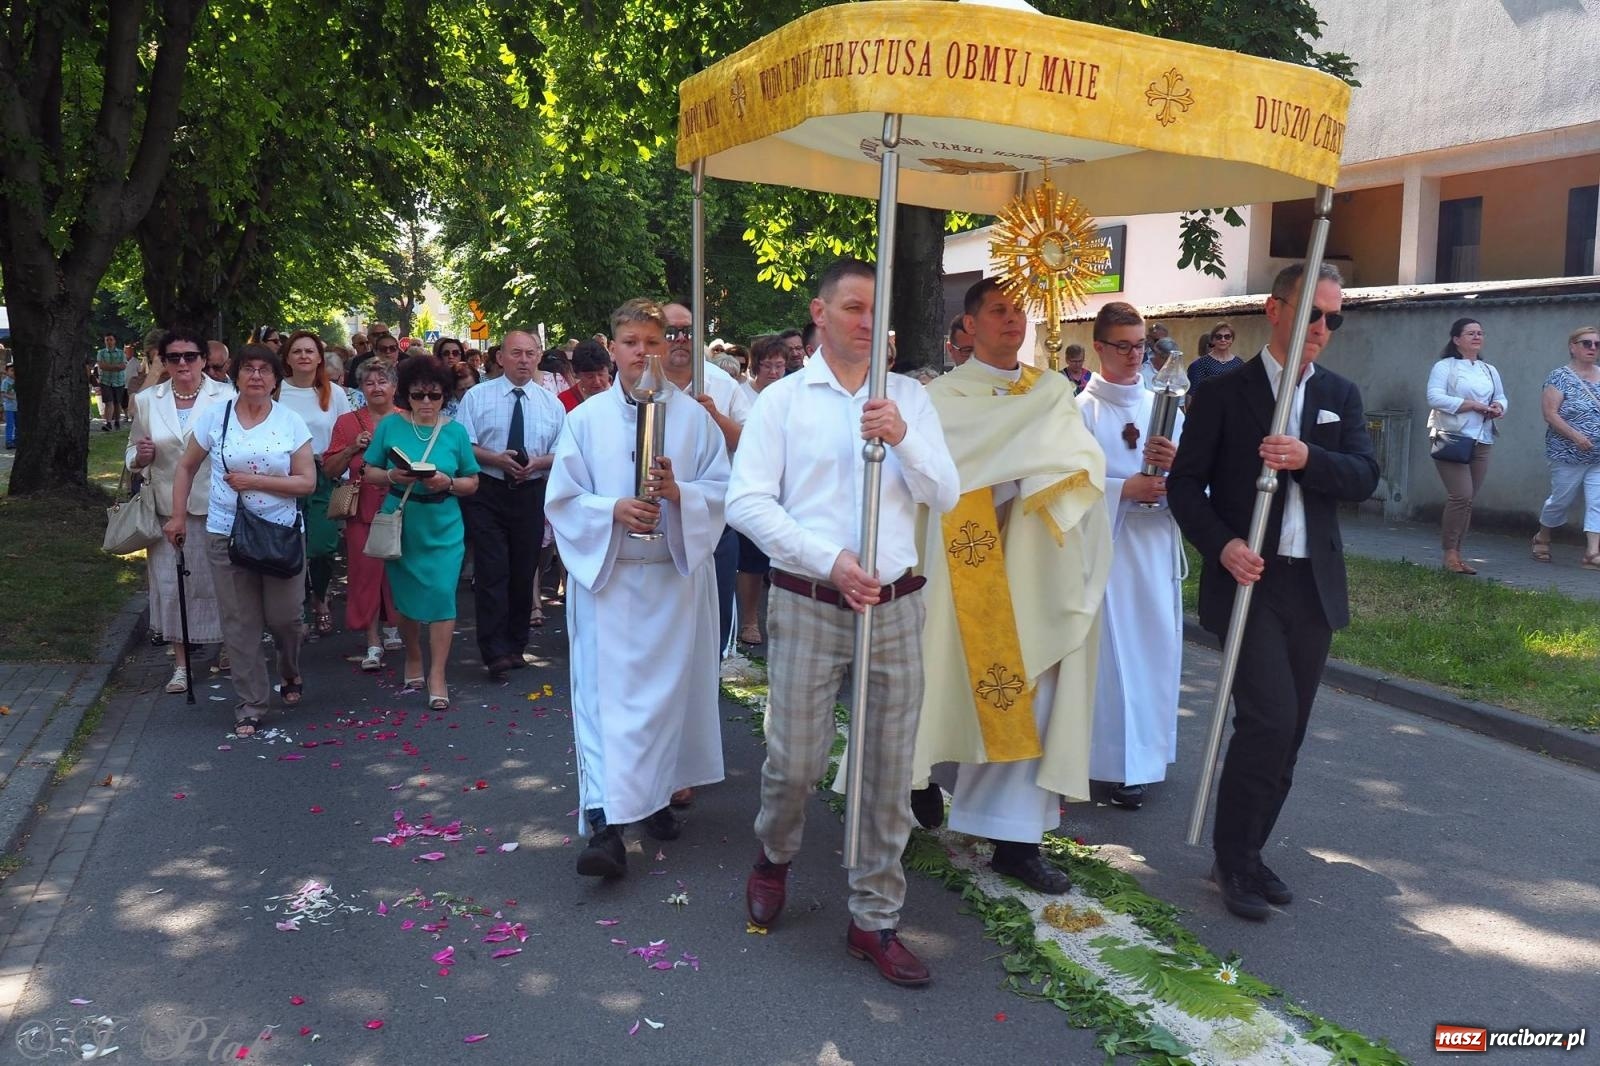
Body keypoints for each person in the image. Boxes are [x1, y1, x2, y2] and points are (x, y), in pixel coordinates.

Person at [727, 259, 959, 986]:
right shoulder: (783, 402)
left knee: (888, 772)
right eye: (853, 307)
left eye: (876, 310)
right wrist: (829, 560)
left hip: (895, 606)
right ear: (819, 315)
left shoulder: (910, 402)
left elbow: (946, 494)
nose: (867, 321)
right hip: (811, 600)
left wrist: (904, 438)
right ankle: (776, 852)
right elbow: (748, 503)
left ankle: (874, 917)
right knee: (795, 760)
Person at [1168, 263, 1379, 921]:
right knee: (1268, 718)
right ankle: (1233, 863)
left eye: (1334, 318)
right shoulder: (1226, 392)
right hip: (1248, 580)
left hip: (1310, 586)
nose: (1323, 329)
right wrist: (1223, 544)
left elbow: (1365, 476)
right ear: (1275, 309)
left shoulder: (1339, 395)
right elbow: (1183, 486)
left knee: (1290, 732)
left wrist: (1309, 460)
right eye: (1313, 313)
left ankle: (1249, 852)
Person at [909, 278, 1109, 895]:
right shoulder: (942, 398)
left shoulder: (1050, 391)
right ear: (968, 326)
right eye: (998, 311)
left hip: (1032, 566)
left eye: (1019, 311)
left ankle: (1014, 841)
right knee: (936, 681)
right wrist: (1010, 469)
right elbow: (930, 475)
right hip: (961, 560)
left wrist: (1036, 473)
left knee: (1032, 696)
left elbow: (1082, 464)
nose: (1012, 321)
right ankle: (913, 781)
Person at [546, 297, 730, 878]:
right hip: (611, 582)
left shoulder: (695, 419)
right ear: (614, 345)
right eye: (631, 343)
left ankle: (653, 802)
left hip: (672, 582)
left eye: (654, 343)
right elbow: (563, 500)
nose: (644, 354)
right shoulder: (585, 420)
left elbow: (723, 490)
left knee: (664, 701)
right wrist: (612, 508)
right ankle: (605, 824)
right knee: (605, 704)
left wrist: (682, 496)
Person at [166, 344, 316, 736]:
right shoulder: (218, 418)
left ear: (275, 378)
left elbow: (307, 482)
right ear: (237, 375)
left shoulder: (290, 422)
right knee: (240, 622)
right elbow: (186, 467)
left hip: (280, 534)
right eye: (248, 369)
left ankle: (290, 668)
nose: (256, 376)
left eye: (264, 370)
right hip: (226, 534)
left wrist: (256, 482)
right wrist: (178, 515)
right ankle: (251, 703)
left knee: (286, 619)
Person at [1078, 302, 1184, 811]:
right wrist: (1123, 489)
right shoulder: (1080, 412)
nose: (1134, 354)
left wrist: (1174, 474)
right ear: (1099, 347)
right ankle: (1110, 763)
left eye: (1141, 344)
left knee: (1153, 650)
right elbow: (1067, 484)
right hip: (1108, 550)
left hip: (1153, 545)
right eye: (1123, 345)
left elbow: (1194, 477)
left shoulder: (1164, 405)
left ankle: (1143, 759)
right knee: (1111, 659)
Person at [362, 357, 480, 707]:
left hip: (444, 523)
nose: (426, 403)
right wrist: (391, 476)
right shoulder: (390, 426)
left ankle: (438, 673)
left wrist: (449, 482)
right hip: (403, 521)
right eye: (418, 396)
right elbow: (369, 472)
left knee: (443, 595)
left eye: (435, 395)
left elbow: (473, 481)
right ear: (406, 395)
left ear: (445, 396)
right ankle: (413, 654)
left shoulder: (456, 432)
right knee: (408, 600)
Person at [127, 329, 234, 692]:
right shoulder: (147, 400)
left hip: (214, 505)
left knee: (216, 583)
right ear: (164, 362)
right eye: (174, 357)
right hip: (165, 507)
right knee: (171, 585)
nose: (183, 363)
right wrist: (138, 458)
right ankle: (182, 664)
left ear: (204, 360)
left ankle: (225, 648)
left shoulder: (226, 396)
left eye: (190, 356)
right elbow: (132, 454)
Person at [457, 330, 565, 678]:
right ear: (500, 357)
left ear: (538, 357)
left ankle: (516, 644)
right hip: (488, 490)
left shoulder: (552, 403)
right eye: (515, 353)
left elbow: (563, 452)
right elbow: (463, 445)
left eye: (529, 354)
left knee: (523, 569)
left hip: (530, 492)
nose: (523, 360)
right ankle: (494, 650)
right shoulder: (477, 396)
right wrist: (495, 458)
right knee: (492, 569)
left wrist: (537, 463)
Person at [663, 301, 752, 656]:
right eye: (672, 332)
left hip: (713, 518)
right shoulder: (641, 384)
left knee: (712, 617)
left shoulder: (722, 384)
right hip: (660, 519)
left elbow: (750, 443)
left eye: (689, 331)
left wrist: (715, 416)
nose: (681, 339)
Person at [275, 331, 352, 635]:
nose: (304, 356)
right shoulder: (276, 391)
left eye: (310, 351)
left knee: (321, 545)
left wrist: (341, 471)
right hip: (285, 475)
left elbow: (345, 434)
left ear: (320, 357)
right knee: (289, 545)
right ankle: (297, 606)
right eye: (297, 351)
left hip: (324, 476)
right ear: (288, 357)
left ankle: (320, 597)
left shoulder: (334, 393)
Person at [326, 359, 401, 670]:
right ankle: (373, 642)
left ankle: (395, 625)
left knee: (399, 573)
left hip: (400, 509)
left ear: (395, 387)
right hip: (362, 509)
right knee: (365, 574)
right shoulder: (346, 422)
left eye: (383, 381)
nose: (377, 387)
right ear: (361, 389)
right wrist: (350, 449)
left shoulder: (407, 420)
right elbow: (329, 469)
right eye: (369, 383)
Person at [1426, 318, 1507, 574]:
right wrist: (1472, 405)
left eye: (1480, 333)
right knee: (1460, 495)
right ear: (1456, 339)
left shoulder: (1489, 369)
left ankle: (1458, 554)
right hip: (1452, 437)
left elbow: (1501, 396)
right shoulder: (1444, 366)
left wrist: (1498, 408)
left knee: (1468, 499)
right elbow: (1434, 397)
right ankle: (1449, 553)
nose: (1477, 337)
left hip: (1482, 438)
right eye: (1470, 333)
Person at [733, 336, 790, 645]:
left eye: (779, 365)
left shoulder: (793, 394)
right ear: (755, 366)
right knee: (752, 562)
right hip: (752, 486)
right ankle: (749, 620)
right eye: (767, 365)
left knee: (784, 560)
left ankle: (780, 620)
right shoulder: (742, 396)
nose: (773, 371)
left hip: (786, 490)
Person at [1531, 326, 1600, 569]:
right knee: (1561, 500)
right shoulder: (1559, 377)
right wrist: (1576, 436)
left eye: (1597, 344)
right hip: (1568, 453)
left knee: (1598, 501)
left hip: (1598, 456)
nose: (1593, 348)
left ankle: (1592, 553)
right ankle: (1543, 536)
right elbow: (1549, 414)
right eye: (1586, 343)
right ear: (1572, 346)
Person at [557, 339, 611, 412]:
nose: (597, 381)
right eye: (590, 376)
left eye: (601, 374)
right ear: (577, 374)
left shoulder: (622, 397)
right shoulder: (563, 402)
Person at [1187, 321, 1242, 388]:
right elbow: (1192, 394)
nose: (1223, 339)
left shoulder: (1239, 364)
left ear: (1232, 340)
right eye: (1219, 336)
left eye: (1227, 337)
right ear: (1213, 340)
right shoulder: (1200, 364)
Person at [97, 334, 128, 431]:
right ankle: (108, 423)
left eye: (111, 340)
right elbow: (101, 366)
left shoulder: (121, 353)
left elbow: (123, 366)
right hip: (105, 381)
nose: (109, 342)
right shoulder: (101, 353)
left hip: (119, 381)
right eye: (107, 340)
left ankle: (117, 421)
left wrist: (109, 367)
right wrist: (115, 367)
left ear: (114, 341)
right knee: (108, 402)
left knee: (117, 402)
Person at [2, 360, 15, 449]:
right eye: (12, 370)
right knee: (10, 425)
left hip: (18, 408)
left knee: (18, 425)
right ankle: (9, 441)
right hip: (9, 408)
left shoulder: (21, 381)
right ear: (6, 372)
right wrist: (12, 397)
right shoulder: (5, 382)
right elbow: (3, 393)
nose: (14, 372)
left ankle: (17, 440)